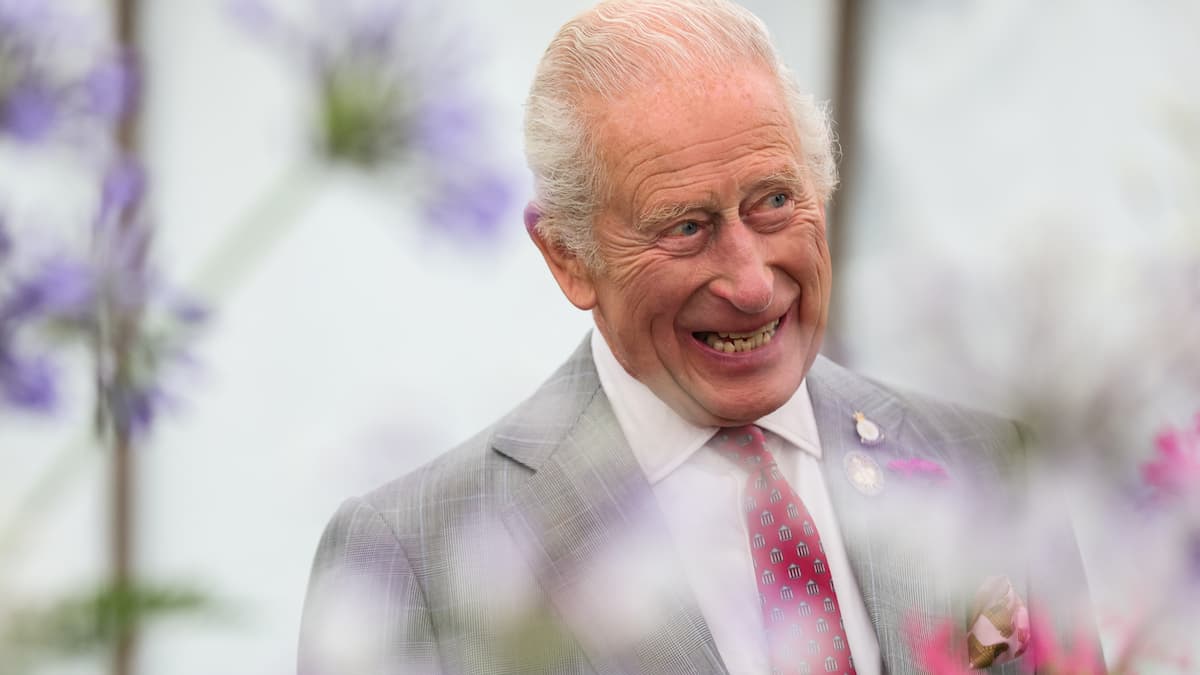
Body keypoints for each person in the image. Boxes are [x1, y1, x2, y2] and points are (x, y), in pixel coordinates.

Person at [299, 1, 1098, 673]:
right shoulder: (414, 557)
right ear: (568, 255)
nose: (750, 282)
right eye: (685, 227)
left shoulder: (995, 468)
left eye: (774, 201)